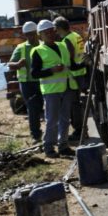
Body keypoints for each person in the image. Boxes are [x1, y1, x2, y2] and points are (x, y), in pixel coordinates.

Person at [31, 19, 83, 157]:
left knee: (65, 119)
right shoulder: (38, 51)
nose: (49, 34)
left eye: (51, 31)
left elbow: (71, 65)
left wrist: (85, 63)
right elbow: (34, 73)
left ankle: (63, 146)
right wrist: (51, 70)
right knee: (52, 120)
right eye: (45, 32)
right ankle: (48, 147)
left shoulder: (62, 46)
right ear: (40, 35)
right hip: (51, 90)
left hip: (67, 87)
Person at [7, 21, 43, 142]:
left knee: (48, 107)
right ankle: (36, 135)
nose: (30, 37)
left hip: (44, 82)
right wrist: (17, 64)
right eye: (28, 35)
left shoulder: (43, 45)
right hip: (27, 83)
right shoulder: (21, 48)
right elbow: (10, 64)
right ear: (25, 35)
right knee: (33, 108)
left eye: (32, 34)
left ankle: (51, 134)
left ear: (37, 33)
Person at [53, 16, 86, 140]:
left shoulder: (67, 40)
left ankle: (79, 131)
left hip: (74, 75)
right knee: (76, 103)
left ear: (60, 28)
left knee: (74, 105)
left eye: (55, 29)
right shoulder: (76, 35)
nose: (55, 32)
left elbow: (70, 60)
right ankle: (81, 129)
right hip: (80, 72)